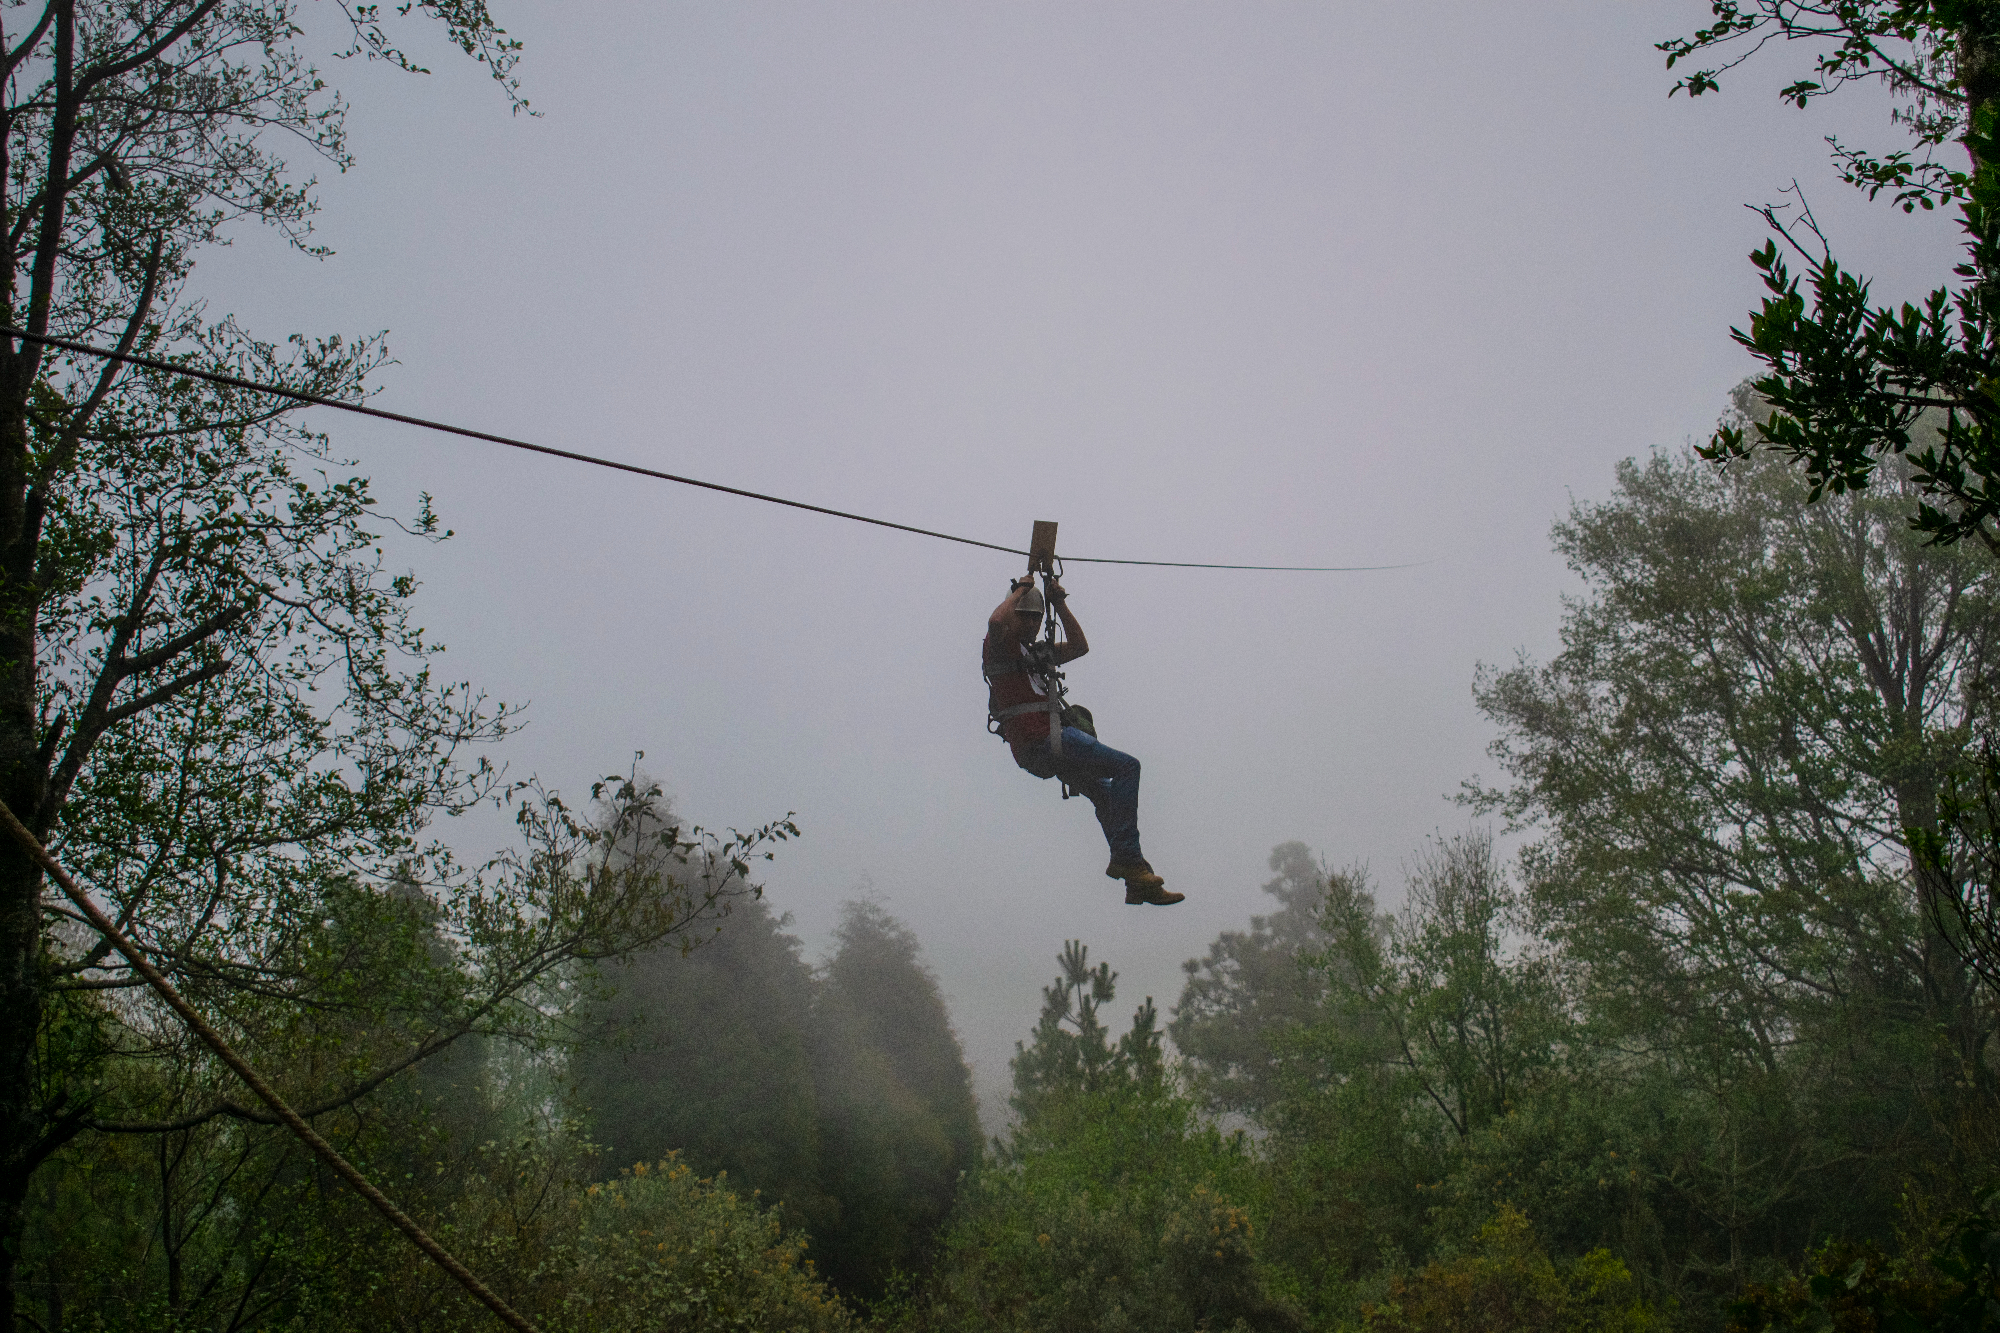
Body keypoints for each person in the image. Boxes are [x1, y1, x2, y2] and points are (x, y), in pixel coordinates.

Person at [983, 574, 1182, 906]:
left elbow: (1079, 646)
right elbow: (995, 620)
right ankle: (1127, 860)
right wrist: (1022, 589)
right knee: (1127, 767)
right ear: (1015, 612)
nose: (1032, 623)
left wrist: (1058, 602)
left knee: (1105, 796)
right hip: (1043, 741)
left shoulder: (1035, 653)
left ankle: (1137, 878)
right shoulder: (999, 646)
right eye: (1026, 615)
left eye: (1037, 617)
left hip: (1048, 747)